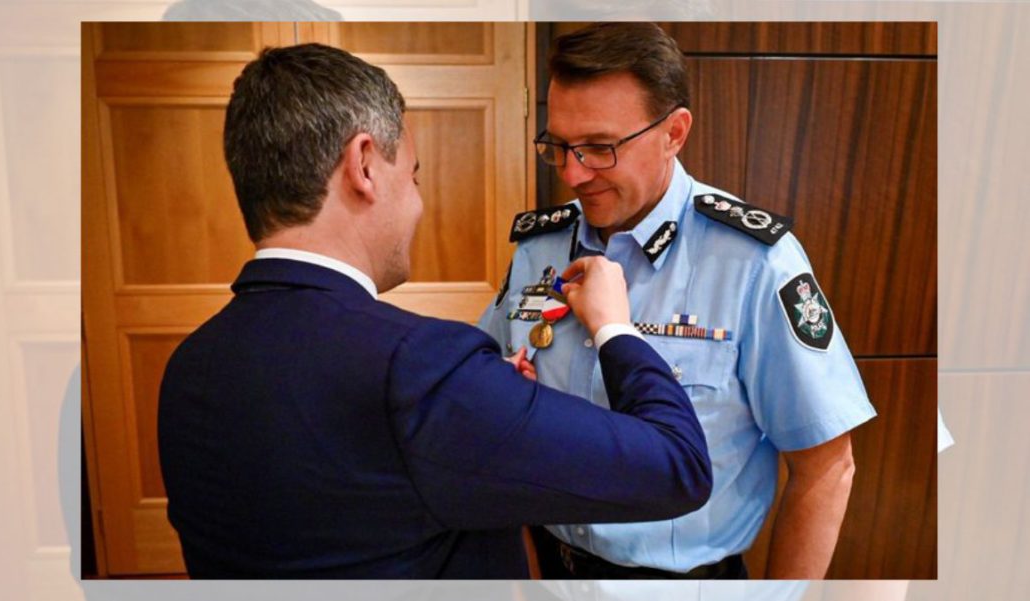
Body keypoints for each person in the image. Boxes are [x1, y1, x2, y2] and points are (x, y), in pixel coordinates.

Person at [157, 42, 713, 579]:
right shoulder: (421, 366)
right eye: (414, 174)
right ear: (365, 165)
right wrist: (615, 330)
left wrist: (486, 396)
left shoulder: (188, 368)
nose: (418, 202)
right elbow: (678, 464)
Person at [479, 22, 877, 579]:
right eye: (560, 146)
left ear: (674, 133)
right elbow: (491, 399)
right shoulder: (538, 248)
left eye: (599, 148)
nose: (572, 173)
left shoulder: (753, 262)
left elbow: (827, 467)